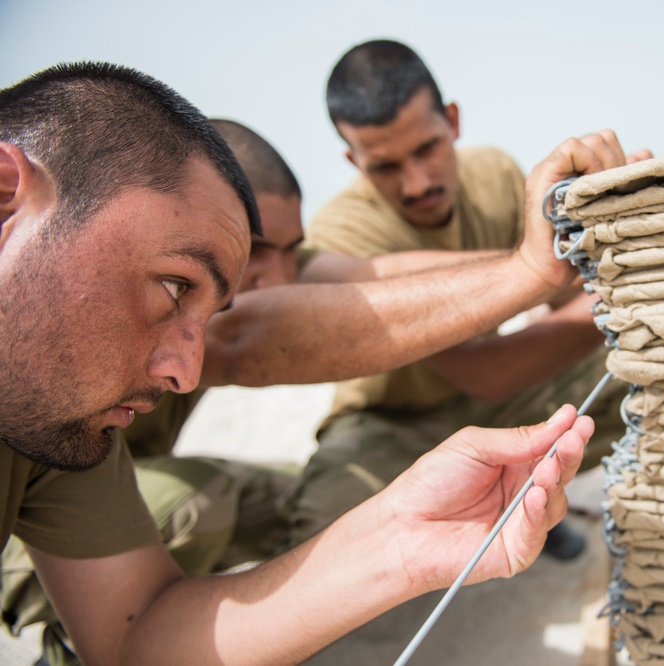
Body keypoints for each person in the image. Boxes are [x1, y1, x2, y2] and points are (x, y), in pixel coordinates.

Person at [0, 61, 630, 665]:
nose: (187, 371)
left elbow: (140, 636)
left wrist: (395, 541)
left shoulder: (58, 437)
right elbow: (247, 337)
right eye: (174, 287)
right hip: (87, 534)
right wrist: (530, 273)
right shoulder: (65, 405)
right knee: (204, 502)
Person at [286, 39, 651, 555]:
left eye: (426, 149)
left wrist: (623, 251)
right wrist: (617, 298)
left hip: (496, 406)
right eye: (386, 167)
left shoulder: (496, 174)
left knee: (643, 371)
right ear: (353, 159)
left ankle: (522, 500)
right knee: (327, 536)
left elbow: (556, 305)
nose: (416, 183)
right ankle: (506, 499)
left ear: (452, 120)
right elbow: (481, 371)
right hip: (392, 423)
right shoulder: (345, 233)